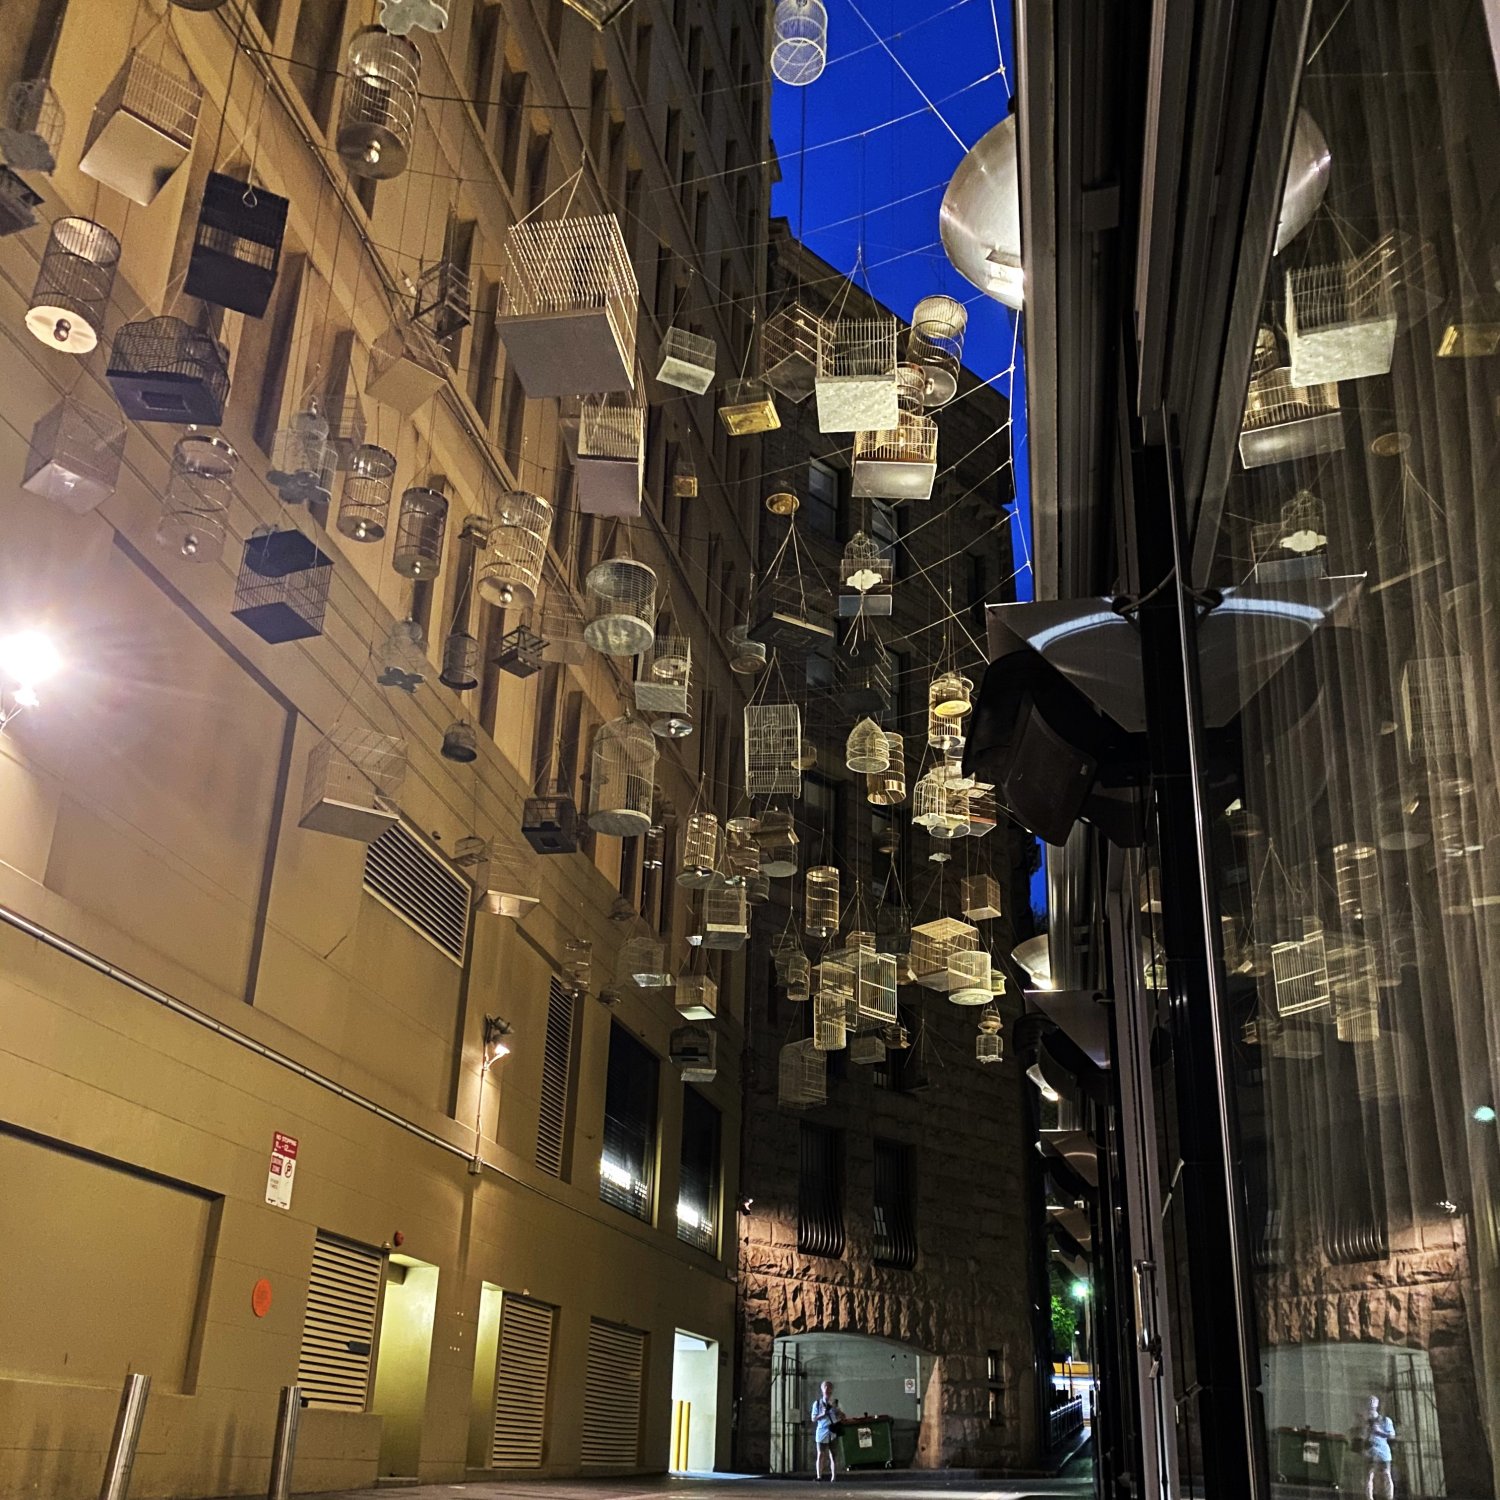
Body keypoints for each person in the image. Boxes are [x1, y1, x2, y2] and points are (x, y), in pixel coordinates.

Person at [1359, 1395, 1396, 1500]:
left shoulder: (1385, 1421)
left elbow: (1391, 1436)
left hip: (1383, 1452)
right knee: (1369, 1476)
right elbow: (1363, 1437)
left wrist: (1379, 1431)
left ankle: (1390, 1497)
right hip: (1371, 1452)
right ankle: (1369, 1497)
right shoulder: (1366, 1423)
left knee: (1387, 1475)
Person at [811, 1380, 847, 1482]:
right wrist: (823, 1414)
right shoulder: (817, 1403)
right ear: (822, 1389)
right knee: (820, 1454)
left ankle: (834, 1477)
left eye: (829, 1387)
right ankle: (819, 1476)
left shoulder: (836, 1403)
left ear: (832, 1390)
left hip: (833, 1431)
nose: (827, 1389)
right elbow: (813, 1418)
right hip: (821, 1431)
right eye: (825, 1387)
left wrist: (837, 1411)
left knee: (834, 1455)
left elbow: (844, 1417)